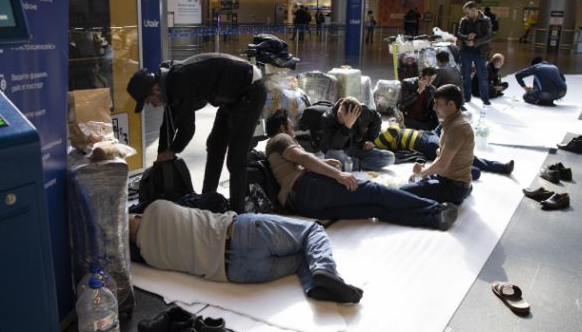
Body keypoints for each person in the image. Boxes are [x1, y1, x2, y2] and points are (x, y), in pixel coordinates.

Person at [130, 200, 363, 303]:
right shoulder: (157, 208)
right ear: (137, 215)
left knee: (302, 256)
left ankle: (314, 286)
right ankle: (324, 270)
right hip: (243, 233)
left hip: (240, 273)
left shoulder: (150, 257)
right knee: (311, 230)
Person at [265, 110, 459, 230]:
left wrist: (326, 164)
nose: (293, 127)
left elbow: (300, 162)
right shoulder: (280, 138)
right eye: (290, 124)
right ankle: (435, 208)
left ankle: (435, 220)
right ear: (282, 126)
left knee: (375, 209)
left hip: (304, 203)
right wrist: (338, 174)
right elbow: (303, 158)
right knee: (376, 192)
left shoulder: (272, 146)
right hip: (310, 188)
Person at [126, 53, 267, 214]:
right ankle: (208, 201)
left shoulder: (177, 81)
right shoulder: (169, 85)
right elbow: (168, 126)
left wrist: (171, 151)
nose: (152, 105)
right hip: (232, 96)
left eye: (148, 101)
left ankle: (238, 217)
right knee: (214, 146)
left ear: (156, 89)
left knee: (236, 160)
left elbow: (187, 129)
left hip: (250, 90)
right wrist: (162, 156)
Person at [400, 84, 474, 205]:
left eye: (438, 104)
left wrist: (422, 172)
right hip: (448, 179)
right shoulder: (451, 121)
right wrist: (425, 171)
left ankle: (440, 212)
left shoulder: (458, 127)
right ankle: (464, 190)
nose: (434, 108)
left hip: (453, 187)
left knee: (402, 192)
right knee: (413, 180)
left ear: (451, 104)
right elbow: (441, 158)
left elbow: (442, 165)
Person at [374, 121, 514, 177]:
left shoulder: (378, 136)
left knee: (448, 120)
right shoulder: (377, 141)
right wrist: (392, 120)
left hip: (426, 134)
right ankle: (500, 167)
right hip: (424, 142)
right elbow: (393, 130)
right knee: (457, 153)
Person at [298, 97, 394, 171]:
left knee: (389, 157)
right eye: (340, 113)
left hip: (357, 148)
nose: (339, 115)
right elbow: (332, 147)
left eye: (343, 115)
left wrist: (371, 139)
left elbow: (377, 119)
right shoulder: (327, 118)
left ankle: (352, 164)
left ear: (355, 114)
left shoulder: (363, 111)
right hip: (339, 151)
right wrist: (347, 127)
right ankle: (357, 164)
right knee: (332, 156)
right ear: (340, 105)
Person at [457, 1, 493, 105]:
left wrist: (475, 42)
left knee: (482, 76)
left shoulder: (486, 20)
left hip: (480, 51)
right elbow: (459, 33)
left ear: (474, 10)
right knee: (466, 75)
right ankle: (467, 97)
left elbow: (489, 36)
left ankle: (485, 98)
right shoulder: (464, 20)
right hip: (466, 50)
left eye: (467, 13)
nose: (466, 15)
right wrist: (467, 38)